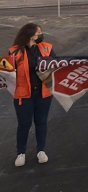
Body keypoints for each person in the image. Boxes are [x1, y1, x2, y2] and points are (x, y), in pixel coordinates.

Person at [6, 23, 56, 167]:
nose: (40, 34)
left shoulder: (47, 48)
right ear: (30, 34)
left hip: (43, 94)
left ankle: (41, 151)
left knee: (41, 122)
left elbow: (57, 64)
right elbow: (7, 72)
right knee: (24, 124)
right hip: (23, 95)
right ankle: (20, 153)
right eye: (38, 32)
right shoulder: (14, 51)